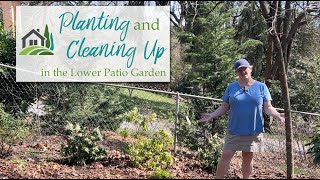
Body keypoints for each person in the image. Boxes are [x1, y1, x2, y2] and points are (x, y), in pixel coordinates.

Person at [198, 58, 285, 179]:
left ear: (250, 68)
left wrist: (277, 115)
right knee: (226, 155)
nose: (243, 71)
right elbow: (224, 106)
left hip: (253, 129)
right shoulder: (231, 87)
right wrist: (212, 115)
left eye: (245, 68)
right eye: (239, 70)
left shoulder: (261, 87)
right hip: (234, 129)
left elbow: (267, 107)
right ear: (236, 72)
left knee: (247, 157)